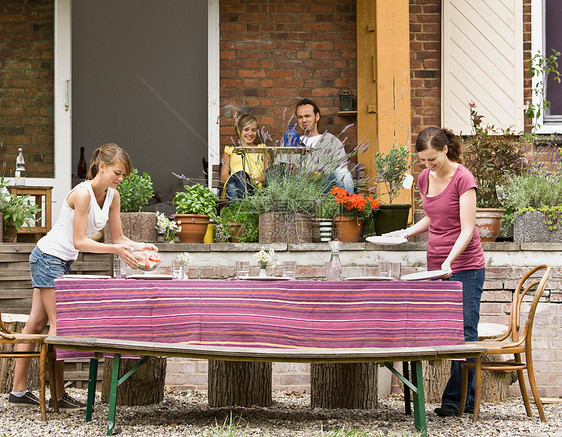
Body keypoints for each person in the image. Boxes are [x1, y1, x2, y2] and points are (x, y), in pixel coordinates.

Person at [9, 143, 156, 411]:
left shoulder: (112, 196)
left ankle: (18, 392)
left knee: (35, 323)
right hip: (47, 257)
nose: (120, 179)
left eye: (124, 175)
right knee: (59, 328)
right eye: (117, 173)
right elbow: (78, 241)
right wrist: (116, 250)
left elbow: (119, 237)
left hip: (60, 260)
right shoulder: (82, 194)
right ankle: (58, 396)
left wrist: (139, 246)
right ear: (102, 167)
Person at [387, 127, 485, 417]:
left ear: (445, 149)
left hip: (465, 264)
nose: (429, 166)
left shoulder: (464, 178)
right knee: (443, 329)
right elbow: (433, 215)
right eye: (424, 161)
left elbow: (467, 228)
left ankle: (455, 401)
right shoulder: (423, 178)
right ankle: (467, 399)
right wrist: (406, 233)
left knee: (464, 332)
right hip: (436, 264)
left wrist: (449, 262)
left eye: (433, 160)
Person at [293, 98, 354, 192]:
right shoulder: (290, 141)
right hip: (296, 189)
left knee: (343, 173)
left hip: (324, 187)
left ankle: (346, 205)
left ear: (317, 116)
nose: (304, 120)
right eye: (300, 117)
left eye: (307, 116)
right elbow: (279, 168)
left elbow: (341, 167)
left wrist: (321, 173)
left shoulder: (331, 141)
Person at [220, 114, 269, 203]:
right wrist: (239, 177)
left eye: (253, 130)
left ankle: (237, 213)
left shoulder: (262, 149)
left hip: (254, 188)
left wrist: (251, 180)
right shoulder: (230, 150)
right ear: (239, 130)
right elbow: (223, 177)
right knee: (235, 183)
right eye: (246, 129)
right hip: (233, 183)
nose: (250, 134)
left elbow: (269, 174)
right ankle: (245, 211)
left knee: (233, 186)